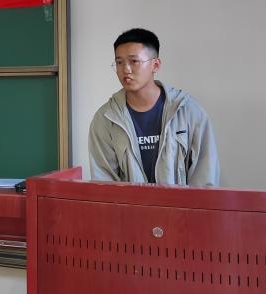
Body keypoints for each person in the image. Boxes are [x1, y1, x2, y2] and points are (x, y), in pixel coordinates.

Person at [88, 28, 219, 186]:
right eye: (119, 62)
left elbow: (205, 176)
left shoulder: (188, 111)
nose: (126, 69)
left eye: (134, 61)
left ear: (155, 65)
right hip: (128, 204)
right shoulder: (106, 119)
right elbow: (103, 182)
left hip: (180, 203)